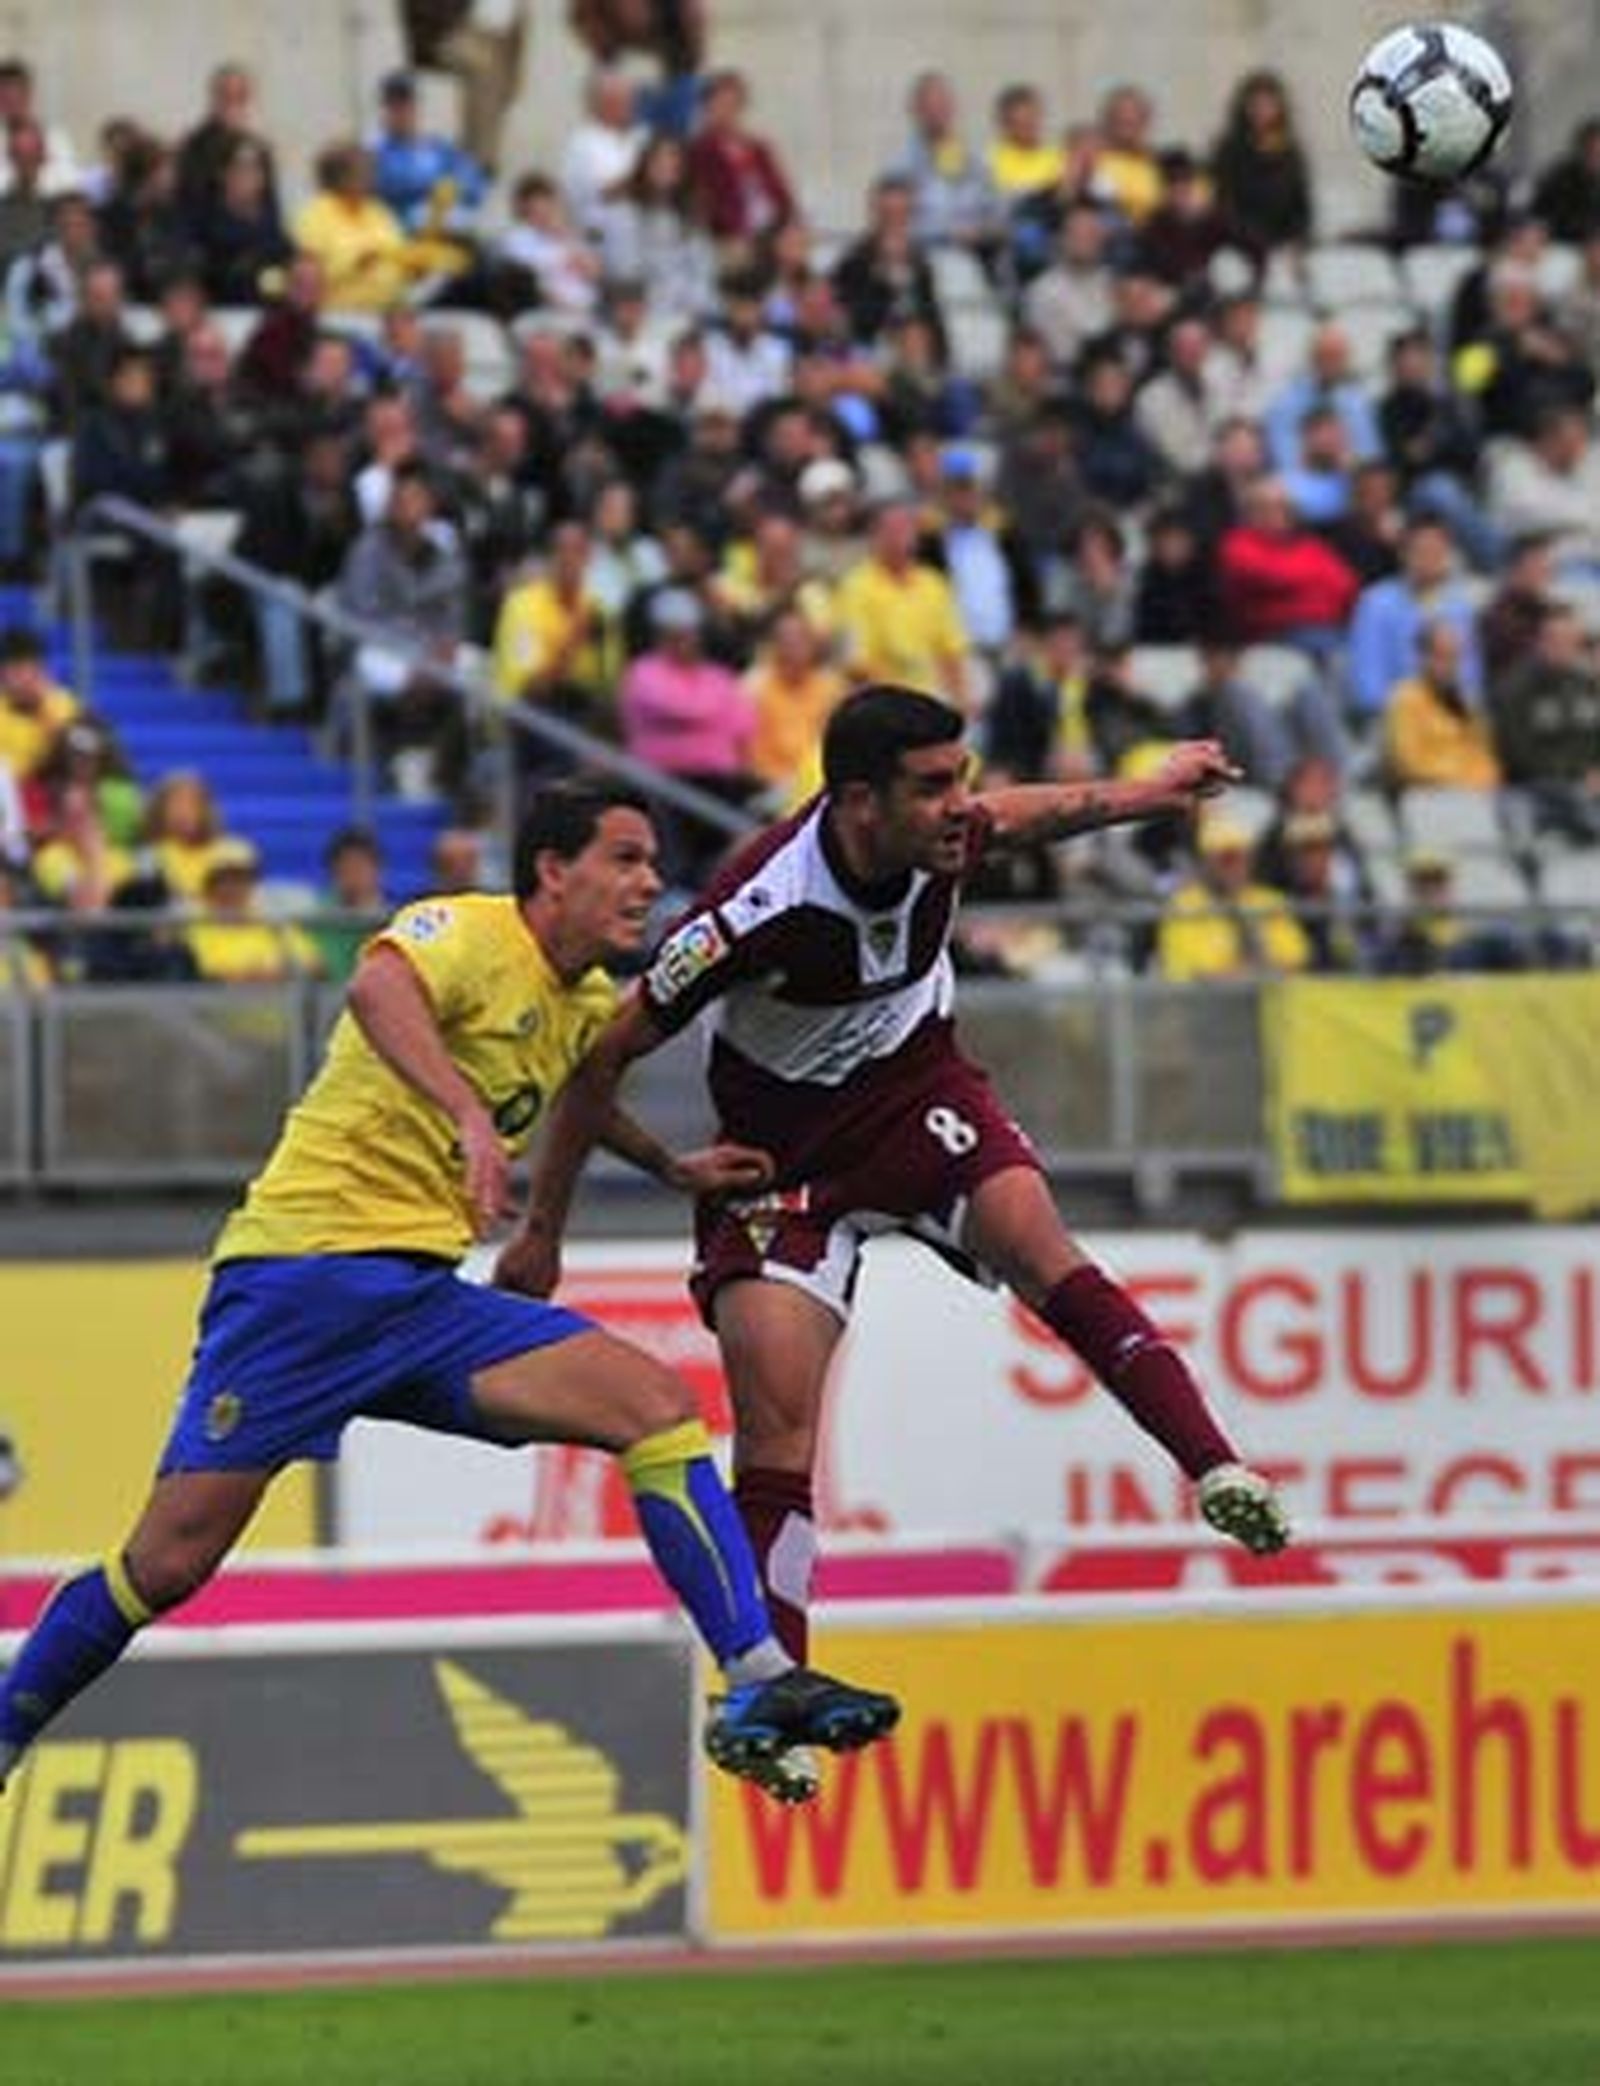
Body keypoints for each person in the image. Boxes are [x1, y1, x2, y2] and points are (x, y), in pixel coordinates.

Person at [0, 780, 900, 1798]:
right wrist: (469, 1114)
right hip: (304, 1281)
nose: (648, 882)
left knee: (654, 1410)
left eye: (652, 862)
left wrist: (667, 1168)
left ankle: (756, 1678)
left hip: (420, 1302)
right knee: (166, 1565)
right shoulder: (471, 933)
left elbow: (584, 1096)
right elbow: (377, 990)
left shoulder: (582, 1000)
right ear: (552, 871)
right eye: (624, 857)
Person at [508, 691, 1291, 1802]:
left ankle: (1214, 1465)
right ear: (858, 801)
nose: (958, 803)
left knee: (1041, 1245)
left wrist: (1152, 792)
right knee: (777, 1425)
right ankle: (766, 1689)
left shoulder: (951, 831)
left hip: (915, 1097)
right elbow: (600, 1058)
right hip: (779, 1163)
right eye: (932, 784)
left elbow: (1035, 812)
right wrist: (547, 1230)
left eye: (959, 775)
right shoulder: (758, 908)